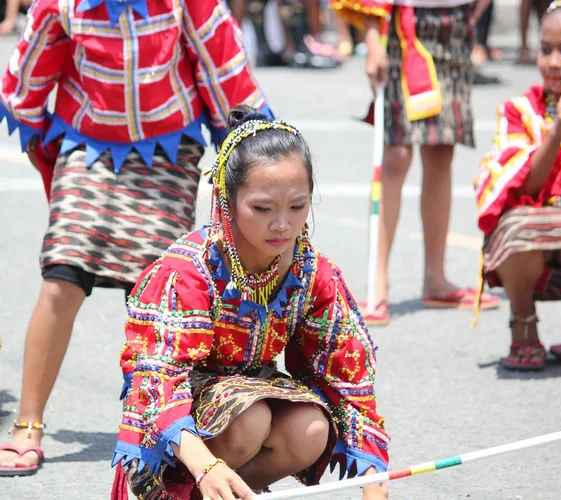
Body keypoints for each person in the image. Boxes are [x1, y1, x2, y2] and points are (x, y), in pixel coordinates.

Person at [0, 0, 271, 477]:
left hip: (166, 151)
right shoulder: (62, 4)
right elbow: (30, 66)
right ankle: (28, 423)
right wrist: (27, 116)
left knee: (157, 296)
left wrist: (250, 138)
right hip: (87, 145)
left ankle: (160, 424)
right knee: (62, 276)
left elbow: (221, 62)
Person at [110, 106, 390, 499]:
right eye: (262, 208)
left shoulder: (314, 273)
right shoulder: (189, 271)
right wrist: (204, 465)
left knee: (310, 428)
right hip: (179, 431)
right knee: (249, 417)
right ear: (227, 199)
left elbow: (350, 377)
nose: (282, 225)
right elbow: (155, 383)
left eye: (297, 206)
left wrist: (372, 484)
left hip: (250, 396)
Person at [329, 0, 501, 325]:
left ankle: (436, 278)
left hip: (455, 21)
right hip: (401, 22)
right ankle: (376, 281)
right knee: (397, 153)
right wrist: (371, 38)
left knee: (441, 149)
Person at [473, 0, 561, 370]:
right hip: (530, 254)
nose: (555, 62)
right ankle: (524, 323)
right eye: (546, 50)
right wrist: (558, 128)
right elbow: (520, 188)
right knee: (518, 225)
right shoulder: (517, 110)